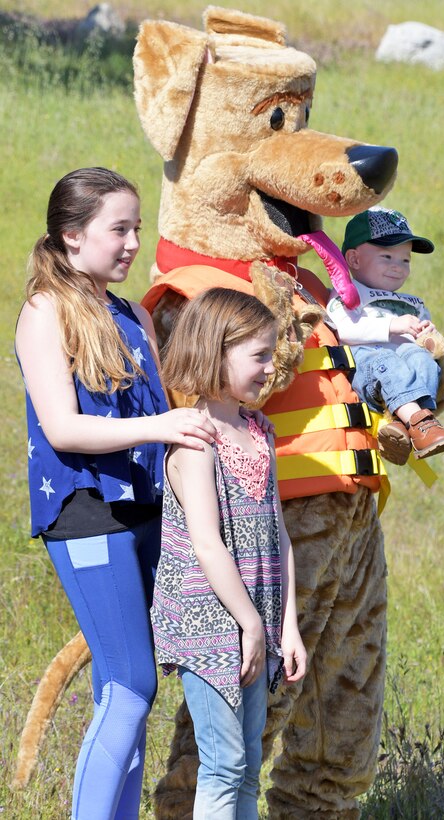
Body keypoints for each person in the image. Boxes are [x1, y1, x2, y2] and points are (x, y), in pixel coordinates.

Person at [15, 167, 218, 820]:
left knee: (123, 689)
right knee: (132, 684)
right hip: (85, 512)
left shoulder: (130, 314)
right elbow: (62, 426)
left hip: (147, 509)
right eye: (118, 229)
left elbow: (169, 402)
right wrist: (161, 425)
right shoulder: (44, 311)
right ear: (72, 237)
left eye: (137, 227)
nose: (133, 242)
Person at [150, 287, 307, 819]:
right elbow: (207, 544)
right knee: (223, 763)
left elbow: (278, 534)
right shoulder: (194, 441)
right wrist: (251, 625)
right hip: (210, 624)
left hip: (255, 620)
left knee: (248, 764)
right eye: (258, 356)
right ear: (215, 352)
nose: (270, 368)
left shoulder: (258, 430)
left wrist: (285, 625)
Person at [326, 206, 444, 465]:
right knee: (386, 362)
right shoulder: (348, 295)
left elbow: (425, 338)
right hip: (367, 367)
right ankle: (420, 424)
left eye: (405, 260)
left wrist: (427, 335)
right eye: (387, 257)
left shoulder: (414, 303)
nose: (398, 267)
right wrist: (391, 327)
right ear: (354, 260)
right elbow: (343, 330)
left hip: (404, 369)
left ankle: (403, 426)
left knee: (424, 360)